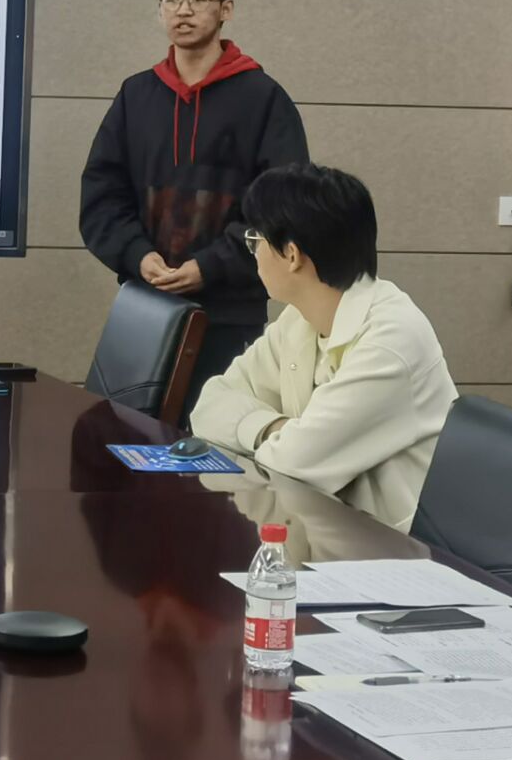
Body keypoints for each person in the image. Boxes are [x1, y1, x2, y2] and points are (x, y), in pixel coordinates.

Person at [80, 0, 309, 400]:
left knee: (218, 433)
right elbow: (102, 196)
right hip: (146, 306)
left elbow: (283, 204)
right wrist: (137, 255)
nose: (183, 11)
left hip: (231, 313)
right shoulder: (136, 96)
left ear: (226, 9)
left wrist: (210, 266)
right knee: (131, 429)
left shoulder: (264, 99)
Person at [187, 164, 454, 532]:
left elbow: (292, 464)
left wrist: (272, 435)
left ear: (292, 255)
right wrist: (273, 428)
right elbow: (209, 405)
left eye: (256, 240)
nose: (254, 252)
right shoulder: (300, 319)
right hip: (326, 528)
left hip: (395, 547)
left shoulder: (391, 341)